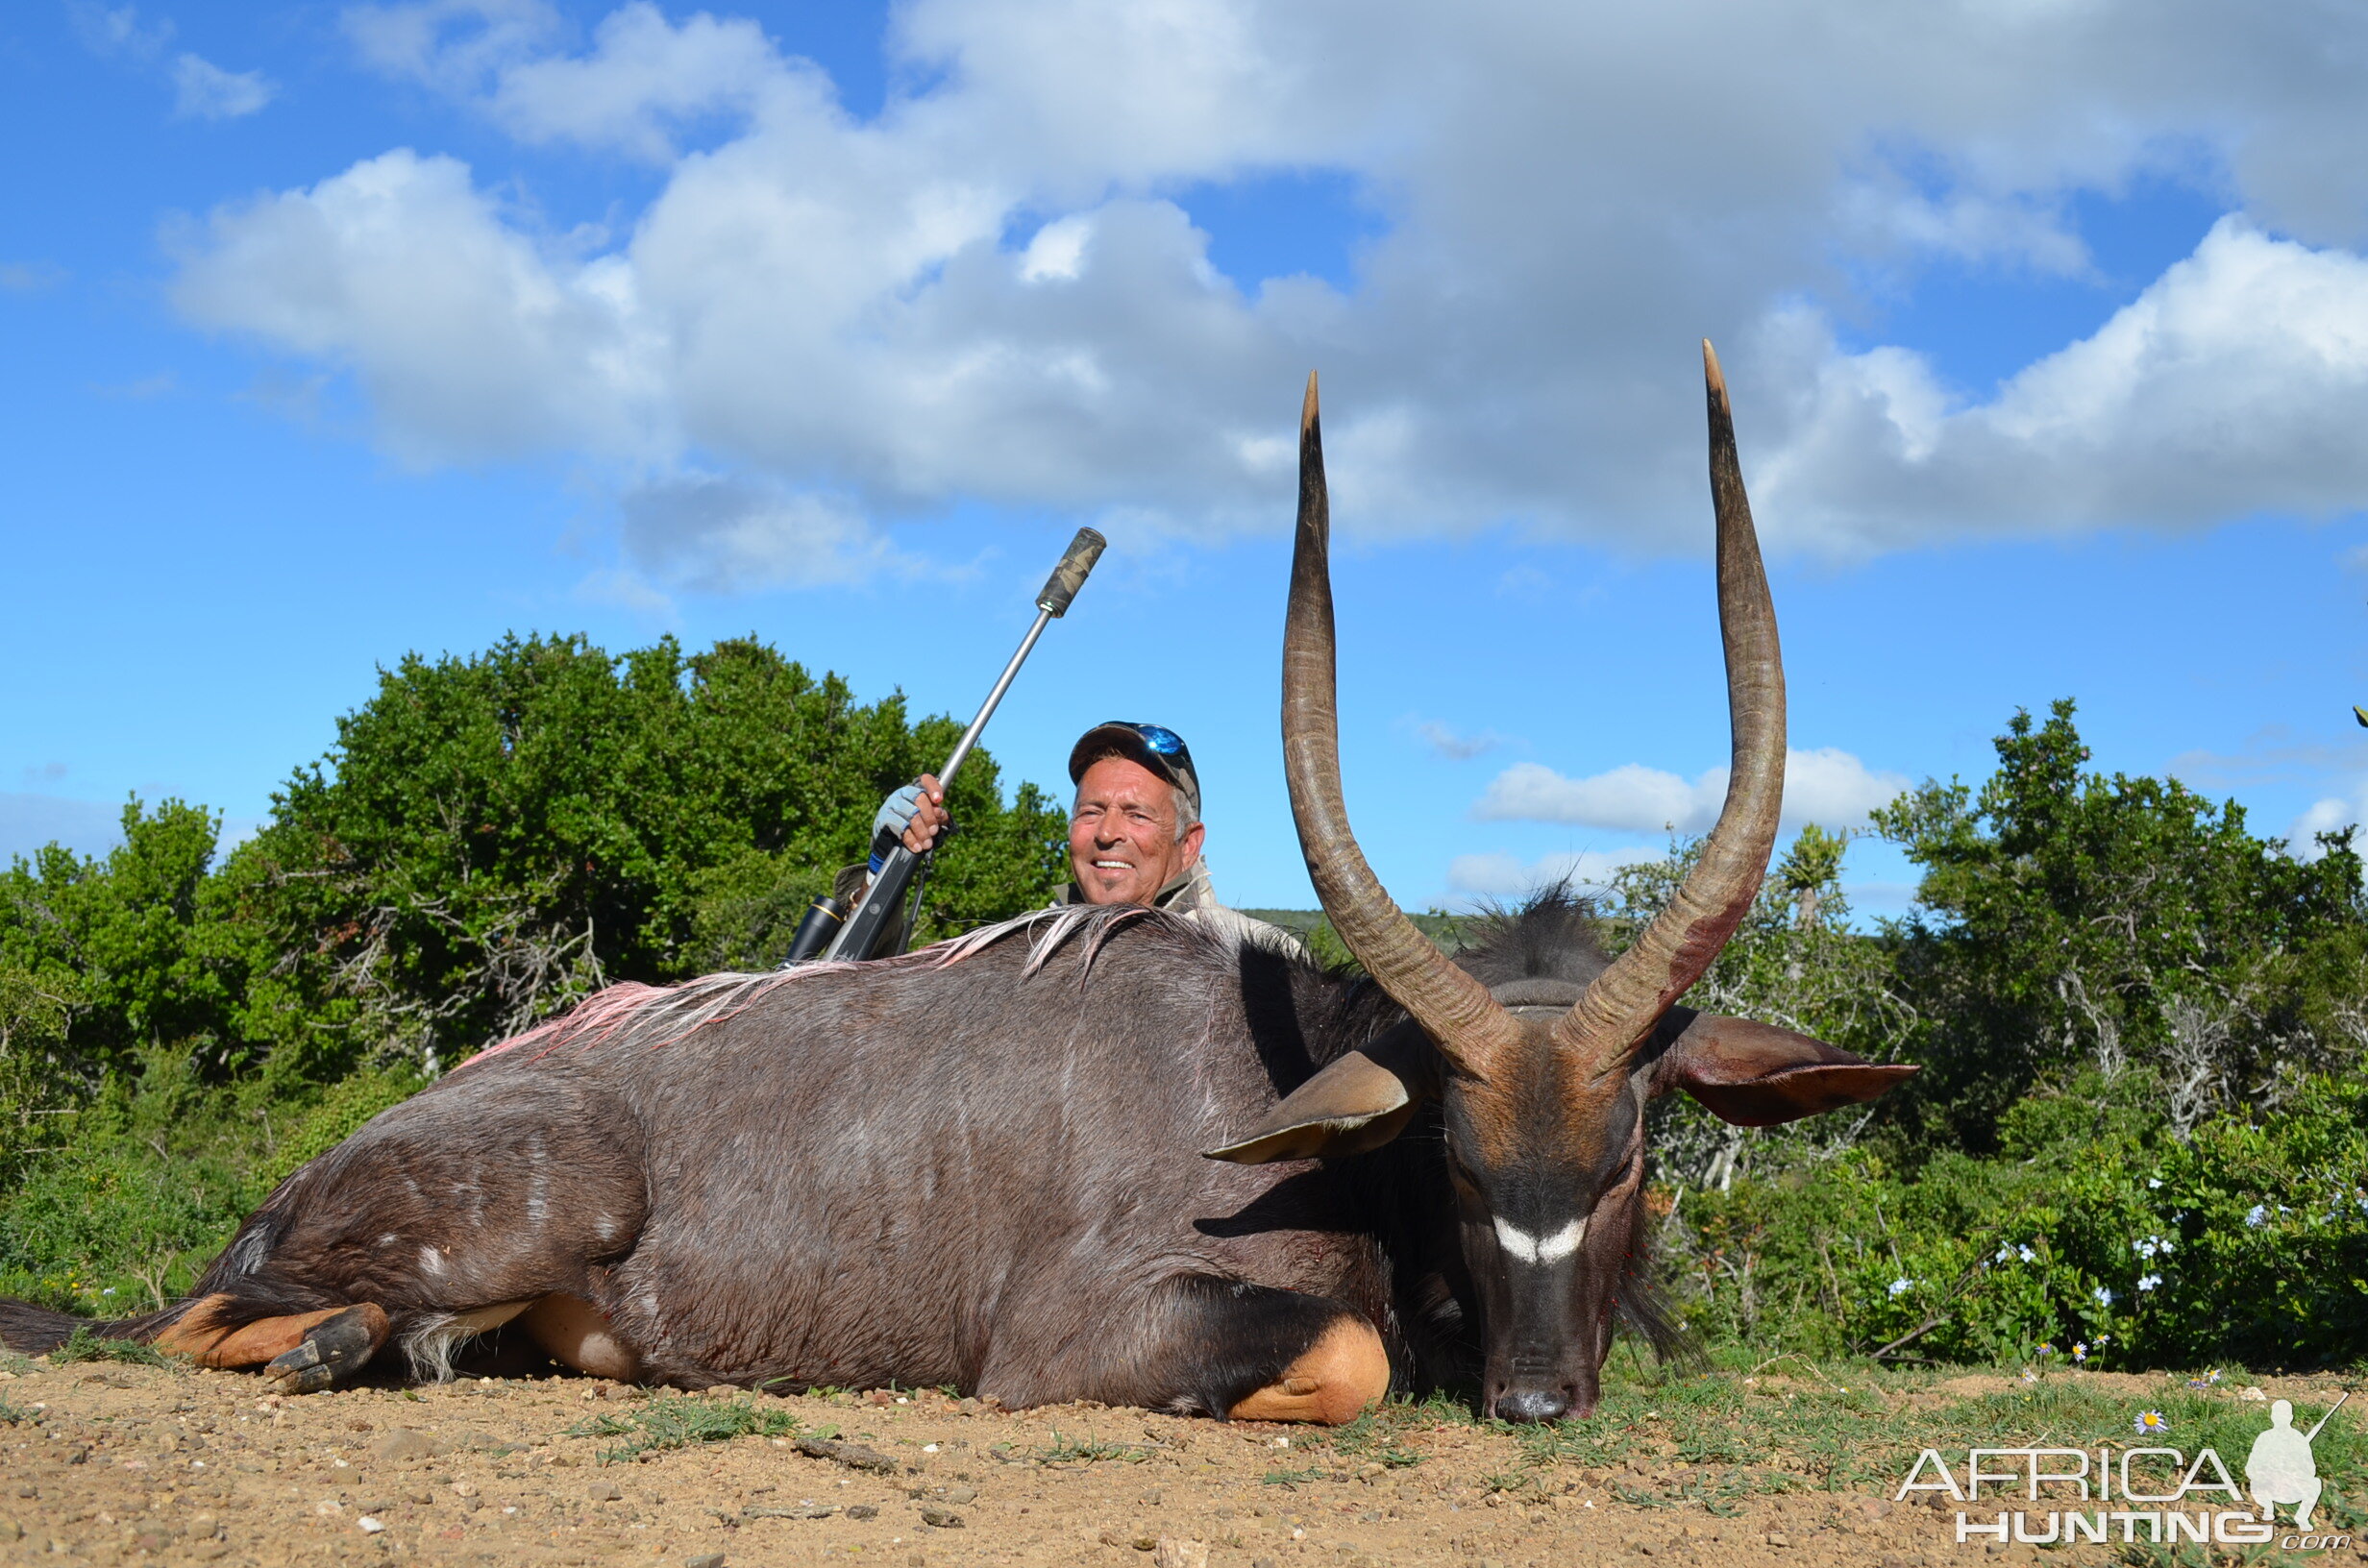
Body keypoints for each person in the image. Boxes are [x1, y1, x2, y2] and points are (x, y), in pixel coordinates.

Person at [866, 721, 1301, 954]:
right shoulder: (1023, 951)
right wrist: (883, 873)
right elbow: (881, 1015)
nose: (1108, 833)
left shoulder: (1261, 962)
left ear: (1188, 845)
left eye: (1137, 815)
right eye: (1091, 812)